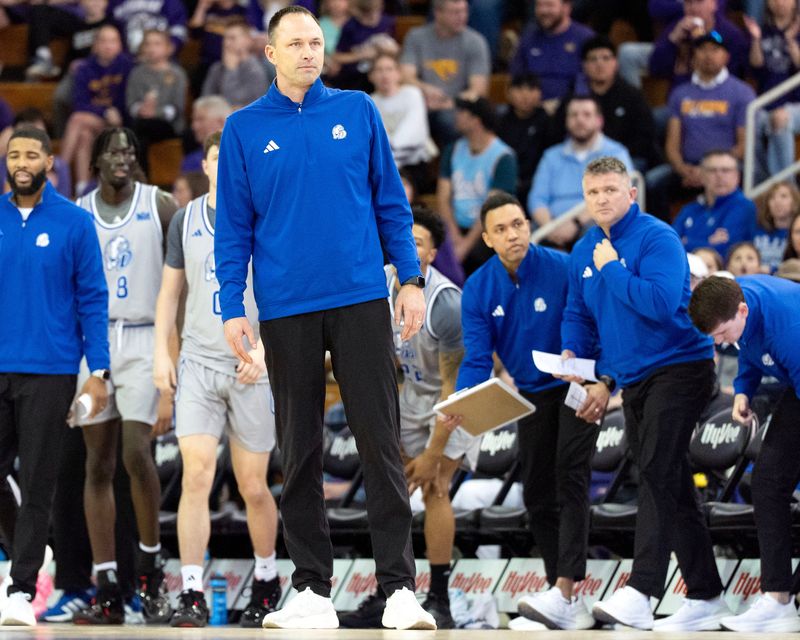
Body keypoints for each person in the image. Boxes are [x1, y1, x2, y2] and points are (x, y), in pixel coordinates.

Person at [214, 6, 435, 630]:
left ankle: (399, 591)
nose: (310, 52)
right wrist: (234, 308)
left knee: (380, 444)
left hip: (362, 298)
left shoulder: (358, 110)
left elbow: (392, 202)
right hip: (286, 307)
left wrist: (411, 281)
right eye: (297, 43)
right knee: (301, 451)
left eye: (316, 42)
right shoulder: (242, 128)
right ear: (270, 52)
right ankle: (311, 590)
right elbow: (233, 230)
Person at [563, 156, 729, 631]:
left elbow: (659, 305)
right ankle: (706, 594)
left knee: (655, 467)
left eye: (611, 190)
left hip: (681, 366)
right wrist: (576, 355)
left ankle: (643, 589)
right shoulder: (583, 250)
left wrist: (613, 268)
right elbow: (579, 311)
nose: (601, 200)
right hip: (632, 377)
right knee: (669, 480)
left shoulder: (658, 237)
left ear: (631, 193)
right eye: (593, 192)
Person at [153, 131, 281, 628]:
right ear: (204, 166)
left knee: (252, 485)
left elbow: (279, 293)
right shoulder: (185, 220)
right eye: (216, 158)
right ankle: (191, 592)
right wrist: (161, 354)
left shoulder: (263, 215)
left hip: (251, 364)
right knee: (197, 476)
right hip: (200, 364)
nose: (224, 165)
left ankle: (268, 581)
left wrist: (265, 352)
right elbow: (168, 296)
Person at [454, 191, 599, 631]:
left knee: (570, 476)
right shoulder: (478, 287)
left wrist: (601, 378)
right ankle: (563, 594)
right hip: (531, 395)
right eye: (501, 229)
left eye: (518, 224)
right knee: (537, 493)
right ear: (487, 238)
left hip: (576, 386)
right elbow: (478, 359)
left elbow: (593, 321)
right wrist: (461, 403)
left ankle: (568, 589)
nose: (513, 234)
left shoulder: (561, 265)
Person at [341, 205, 474, 629]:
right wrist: (394, 441)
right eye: (405, 241)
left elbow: (452, 393)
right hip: (410, 397)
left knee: (435, 487)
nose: (408, 249)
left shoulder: (446, 303)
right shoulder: (378, 287)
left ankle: (439, 597)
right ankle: (393, 590)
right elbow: (383, 367)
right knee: (389, 484)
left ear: (432, 256)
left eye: (418, 244)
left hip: (453, 401)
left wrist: (432, 455)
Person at [0, 127, 109, 627]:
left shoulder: (73, 222)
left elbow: (92, 298)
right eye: (13, 154)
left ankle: (21, 589)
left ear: (49, 162)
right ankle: (26, 551)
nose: (21, 162)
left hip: (52, 369)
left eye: (30, 154)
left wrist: (98, 371)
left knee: (39, 481)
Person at [71, 127, 177, 625]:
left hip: (146, 336)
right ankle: (107, 582)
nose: (123, 157)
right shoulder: (79, 211)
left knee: (137, 452)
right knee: (97, 464)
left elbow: (183, 274)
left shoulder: (160, 205)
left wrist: (176, 348)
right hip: (94, 343)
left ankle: (151, 569)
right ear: (96, 161)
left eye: (129, 151)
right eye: (112, 149)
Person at [688, 274, 800, 633]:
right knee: (767, 482)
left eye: (722, 334)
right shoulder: (735, 306)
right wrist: (742, 391)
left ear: (742, 310)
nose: (719, 343)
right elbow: (750, 349)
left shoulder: (787, 326)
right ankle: (778, 598)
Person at [648, 31, 755, 220]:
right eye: (702, 50)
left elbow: (743, 145)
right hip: (687, 168)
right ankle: (663, 243)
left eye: (714, 50)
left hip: (726, 165)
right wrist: (682, 168)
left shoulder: (742, 92)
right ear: (694, 56)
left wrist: (709, 169)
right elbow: (672, 145)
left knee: (747, 179)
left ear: (726, 56)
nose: (708, 55)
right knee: (652, 183)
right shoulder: (680, 93)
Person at [528, 95, 633, 248]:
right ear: (566, 120)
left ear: (599, 121)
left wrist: (575, 223)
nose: (579, 120)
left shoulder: (615, 153)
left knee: (597, 231)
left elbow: (616, 198)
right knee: (518, 234)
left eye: (586, 114)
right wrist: (550, 227)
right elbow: (537, 198)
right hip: (551, 226)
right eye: (574, 115)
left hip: (594, 222)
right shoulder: (551, 156)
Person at [553, 35, 660, 172]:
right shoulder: (574, 99)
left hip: (626, 159)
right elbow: (557, 134)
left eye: (606, 58)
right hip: (581, 160)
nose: (600, 64)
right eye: (593, 59)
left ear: (615, 63)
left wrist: (612, 156)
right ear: (584, 66)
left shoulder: (632, 95)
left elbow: (645, 138)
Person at [437, 95, 518, 274]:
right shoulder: (453, 150)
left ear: (476, 120)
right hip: (454, 226)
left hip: (484, 229)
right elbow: (443, 198)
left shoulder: (503, 157)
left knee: (481, 252)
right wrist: (455, 237)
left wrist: (464, 246)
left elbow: (491, 207)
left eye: (462, 112)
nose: (456, 116)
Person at [400, 0, 491, 147]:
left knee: (449, 120)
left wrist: (450, 103)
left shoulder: (476, 41)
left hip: (456, 107)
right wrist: (425, 89)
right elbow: (405, 77)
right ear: (438, 13)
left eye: (464, 11)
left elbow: (478, 90)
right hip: (421, 103)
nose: (462, 16)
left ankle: (449, 167)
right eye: (455, 12)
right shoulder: (416, 37)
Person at [59, 24, 134, 197]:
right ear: (95, 45)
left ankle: (60, 171)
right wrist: (104, 112)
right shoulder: (84, 68)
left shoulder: (128, 66)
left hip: (121, 122)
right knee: (84, 133)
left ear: (120, 45)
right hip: (97, 121)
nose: (108, 45)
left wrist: (112, 113)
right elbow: (79, 103)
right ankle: (82, 190)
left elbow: (127, 101)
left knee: (77, 120)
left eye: (113, 41)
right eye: (103, 41)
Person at [671, 150, 756, 258]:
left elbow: (726, 251)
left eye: (726, 170)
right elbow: (669, 244)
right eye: (712, 171)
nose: (719, 176)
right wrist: (709, 242)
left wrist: (686, 242)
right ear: (701, 175)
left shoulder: (744, 207)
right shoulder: (690, 209)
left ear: (737, 176)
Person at [510, 0, 594, 107]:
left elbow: (589, 82)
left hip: (572, 110)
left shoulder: (585, 38)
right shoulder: (528, 38)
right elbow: (516, 78)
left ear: (566, 8)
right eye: (540, 5)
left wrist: (563, 105)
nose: (544, 11)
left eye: (549, 5)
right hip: (533, 110)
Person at [125, 29, 188, 163]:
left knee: (143, 129)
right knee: (141, 132)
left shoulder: (177, 74)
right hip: (141, 122)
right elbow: (131, 103)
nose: (151, 48)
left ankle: (139, 177)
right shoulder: (136, 73)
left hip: (168, 125)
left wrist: (155, 112)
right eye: (147, 44)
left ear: (168, 48)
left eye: (157, 44)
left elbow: (178, 108)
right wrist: (140, 109)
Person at [496, 73, 553, 204]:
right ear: (509, 93)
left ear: (540, 94)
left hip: (536, 182)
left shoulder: (547, 121)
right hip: (506, 181)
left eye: (531, 89)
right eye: (520, 89)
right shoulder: (500, 121)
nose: (525, 95)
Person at [201, 19, 269, 109]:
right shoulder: (216, 68)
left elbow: (232, 102)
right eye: (225, 38)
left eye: (232, 38)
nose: (226, 43)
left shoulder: (258, 67)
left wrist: (231, 70)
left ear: (247, 40)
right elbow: (205, 102)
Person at [754, 181, 799, 272]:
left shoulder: (797, 235)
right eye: (772, 197)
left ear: (795, 201)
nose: (777, 201)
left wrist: (772, 269)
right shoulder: (757, 231)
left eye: (783, 196)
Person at [180, 96, 232, 173]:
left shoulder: (243, 157)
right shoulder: (192, 161)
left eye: (200, 119)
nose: (194, 126)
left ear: (222, 122)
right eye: (193, 120)